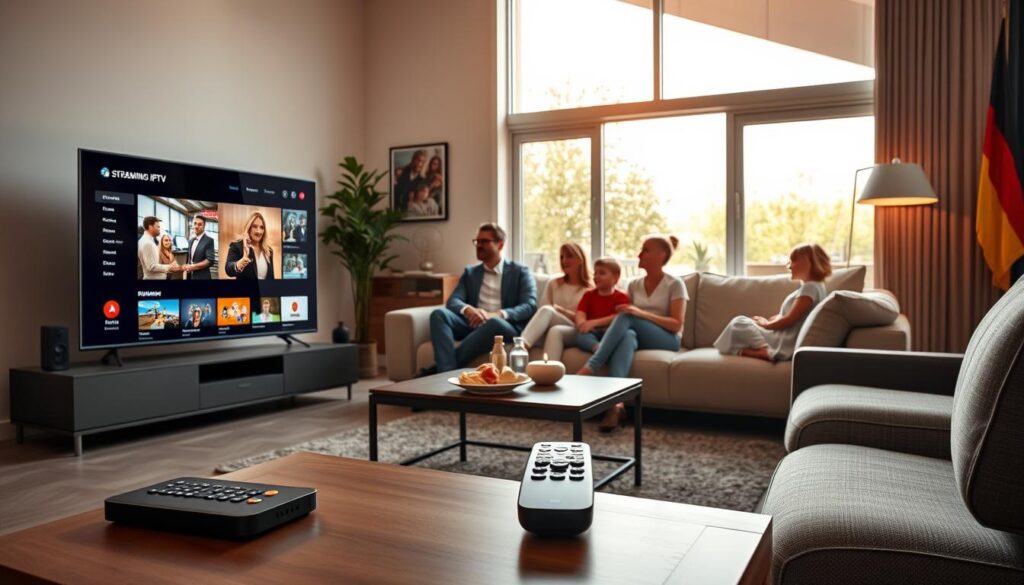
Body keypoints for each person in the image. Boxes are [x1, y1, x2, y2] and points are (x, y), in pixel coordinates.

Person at [578, 235, 687, 431]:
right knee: (628, 336)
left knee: (627, 316)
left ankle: (591, 366)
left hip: (667, 339)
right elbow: (629, 324)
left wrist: (640, 313)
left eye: (645, 250)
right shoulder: (634, 285)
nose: (639, 254)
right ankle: (615, 405)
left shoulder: (675, 284)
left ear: (661, 255)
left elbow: (676, 325)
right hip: (640, 336)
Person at [426, 223, 537, 374]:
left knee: (494, 322)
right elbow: (453, 301)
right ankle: (445, 370)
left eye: (484, 241)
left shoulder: (520, 272)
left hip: (503, 325)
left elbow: (530, 305)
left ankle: (441, 371)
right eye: (477, 241)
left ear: (500, 245)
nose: (478, 245)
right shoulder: (471, 273)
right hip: (473, 324)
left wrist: (498, 314)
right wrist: (468, 309)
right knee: (438, 315)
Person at [714, 243, 831, 362]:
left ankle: (767, 351)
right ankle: (744, 351)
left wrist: (766, 325)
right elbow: (795, 316)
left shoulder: (809, 288)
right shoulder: (818, 287)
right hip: (785, 338)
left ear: (807, 262)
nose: (789, 266)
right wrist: (772, 320)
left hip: (785, 342)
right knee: (743, 324)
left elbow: (790, 319)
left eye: (792, 262)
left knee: (739, 322)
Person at [519, 243, 593, 360]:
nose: (564, 260)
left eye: (569, 256)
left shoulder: (590, 289)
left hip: (577, 329)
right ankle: (549, 373)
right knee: (554, 328)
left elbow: (588, 322)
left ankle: (520, 348)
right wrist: (556, 312)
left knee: (548, 311)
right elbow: (542, 312)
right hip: (554, 328)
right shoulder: (554, 284)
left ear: (580, 259)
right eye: (562, 257)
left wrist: (563, 312)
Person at [571, 258, 632, 355]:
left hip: (610, 331)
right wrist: (582, 324)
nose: (596, 276)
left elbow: (619, 317)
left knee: (622, 337)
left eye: (602, 273)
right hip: (592, 331)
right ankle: (597, 347)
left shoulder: (621, 297)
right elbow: (580, 313)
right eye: (595, 273)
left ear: (616, 277)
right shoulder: (588, 295)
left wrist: (593, 323)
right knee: (581, 337)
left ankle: (604, 347)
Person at [225, 211, 276, 279]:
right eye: (254, 226)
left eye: (262, 227)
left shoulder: (268, 250)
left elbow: (271, 277)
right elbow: (228, 269)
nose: (259, 231)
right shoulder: (237, 246)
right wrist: (240, 263)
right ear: (249, 228)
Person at [184, 215, 215, 279]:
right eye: (195, 223)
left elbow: (210, 260)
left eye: (199, 224)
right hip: (190, 276)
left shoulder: (209, 240)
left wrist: (193, 267)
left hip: (202, 276)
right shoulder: (190, 241)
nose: (196, 226)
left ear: (204, 226)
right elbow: (190, 259)